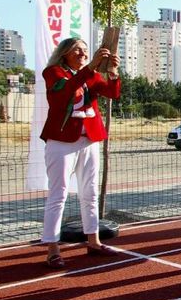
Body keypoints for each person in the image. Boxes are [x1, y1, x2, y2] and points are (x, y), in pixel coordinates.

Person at [39, 38, 122, 268]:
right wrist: (91, 67)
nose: (83, 53)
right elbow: (65, 92)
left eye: (86, 50)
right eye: (78, 49)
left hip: (89, 140)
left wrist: (113, 73)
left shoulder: (91, 74)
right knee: (59, 194)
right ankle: (53, 249)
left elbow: (112, 93)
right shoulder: (53, 72)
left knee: (90, 192)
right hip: (62, 141)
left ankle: (94, 241)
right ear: (65, 53)